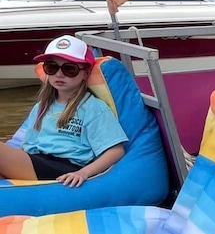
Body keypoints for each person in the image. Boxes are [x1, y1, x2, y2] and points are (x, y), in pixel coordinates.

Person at [1, 35, 128, 186]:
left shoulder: (92, 107)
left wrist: (84, 172)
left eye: (69, 69)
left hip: (64, 167)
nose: (59, 74)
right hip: (37, 161)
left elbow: (116, 150)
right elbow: (27, 146)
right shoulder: (42, 107)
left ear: (85, 73)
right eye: (52, 67)